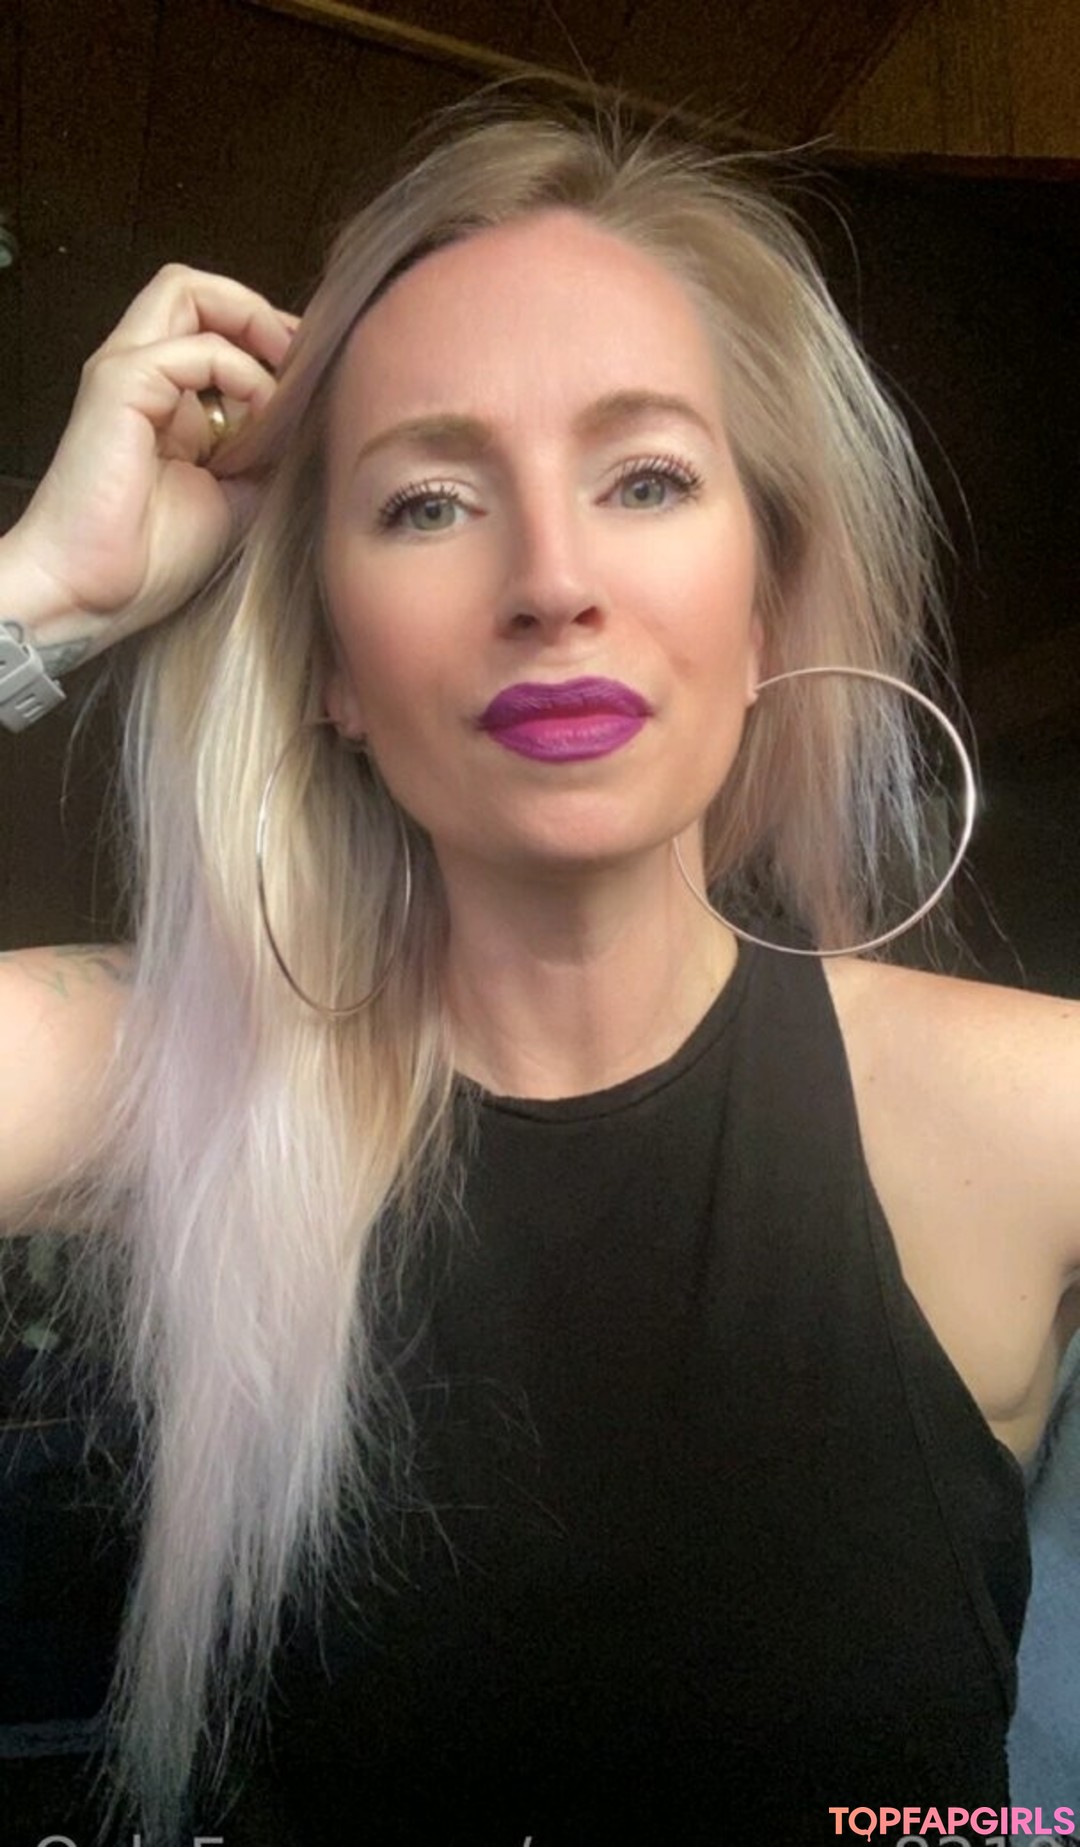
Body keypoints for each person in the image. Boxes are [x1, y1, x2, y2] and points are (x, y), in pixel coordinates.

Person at [0, 104, 1076, 1846]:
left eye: (644, 479)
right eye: (429, 501)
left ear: (766, 604)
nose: (553, 583)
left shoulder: (1034, 1115)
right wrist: (45, 597)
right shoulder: (170, 1073)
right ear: (331, 664)